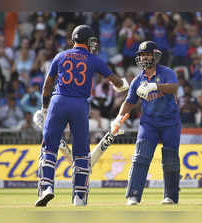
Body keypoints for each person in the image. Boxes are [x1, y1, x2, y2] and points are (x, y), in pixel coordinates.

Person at [33, 25, 129, 207]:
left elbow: (47, 85)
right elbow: (116, 82)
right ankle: (79, 196)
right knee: (81, 154)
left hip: (58, 102)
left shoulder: (60, 56)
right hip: (79, 105)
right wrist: (125, 85)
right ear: (87, 41)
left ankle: (46, 187)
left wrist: (45, 108)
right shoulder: (93, 59)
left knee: (48, 148)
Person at [111, 41, 181, 205]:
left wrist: (155, 86)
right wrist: (118, 119)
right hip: (149, 124)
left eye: (147, 54)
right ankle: (133, 196)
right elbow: (129, 102)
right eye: (141, 55)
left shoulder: (166, 72)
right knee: (141, 157)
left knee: (170, 159)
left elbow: (174, 88)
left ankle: (170, 196)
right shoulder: (137, 80)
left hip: (170, 122)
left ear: (155, 55)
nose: (144, 58)